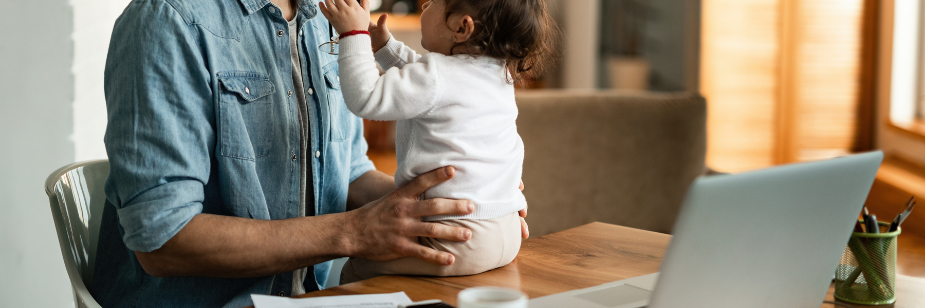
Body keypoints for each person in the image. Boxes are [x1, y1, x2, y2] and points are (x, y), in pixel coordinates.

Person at [93, 0, 527, 307]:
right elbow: (163, 240)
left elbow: (350, 173)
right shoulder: (167, 21)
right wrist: (352, 233)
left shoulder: (324, 21)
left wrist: (462, 202)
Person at [318, 0, 555, 283]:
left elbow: (367, 97)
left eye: (434, 2)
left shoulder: (439, 76)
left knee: (358, 269)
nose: (425, 4)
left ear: (461, 27)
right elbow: (421, 78)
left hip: (457, 236)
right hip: (507, 226)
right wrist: (385, 47)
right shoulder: (497, 72)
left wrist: (352, 36)